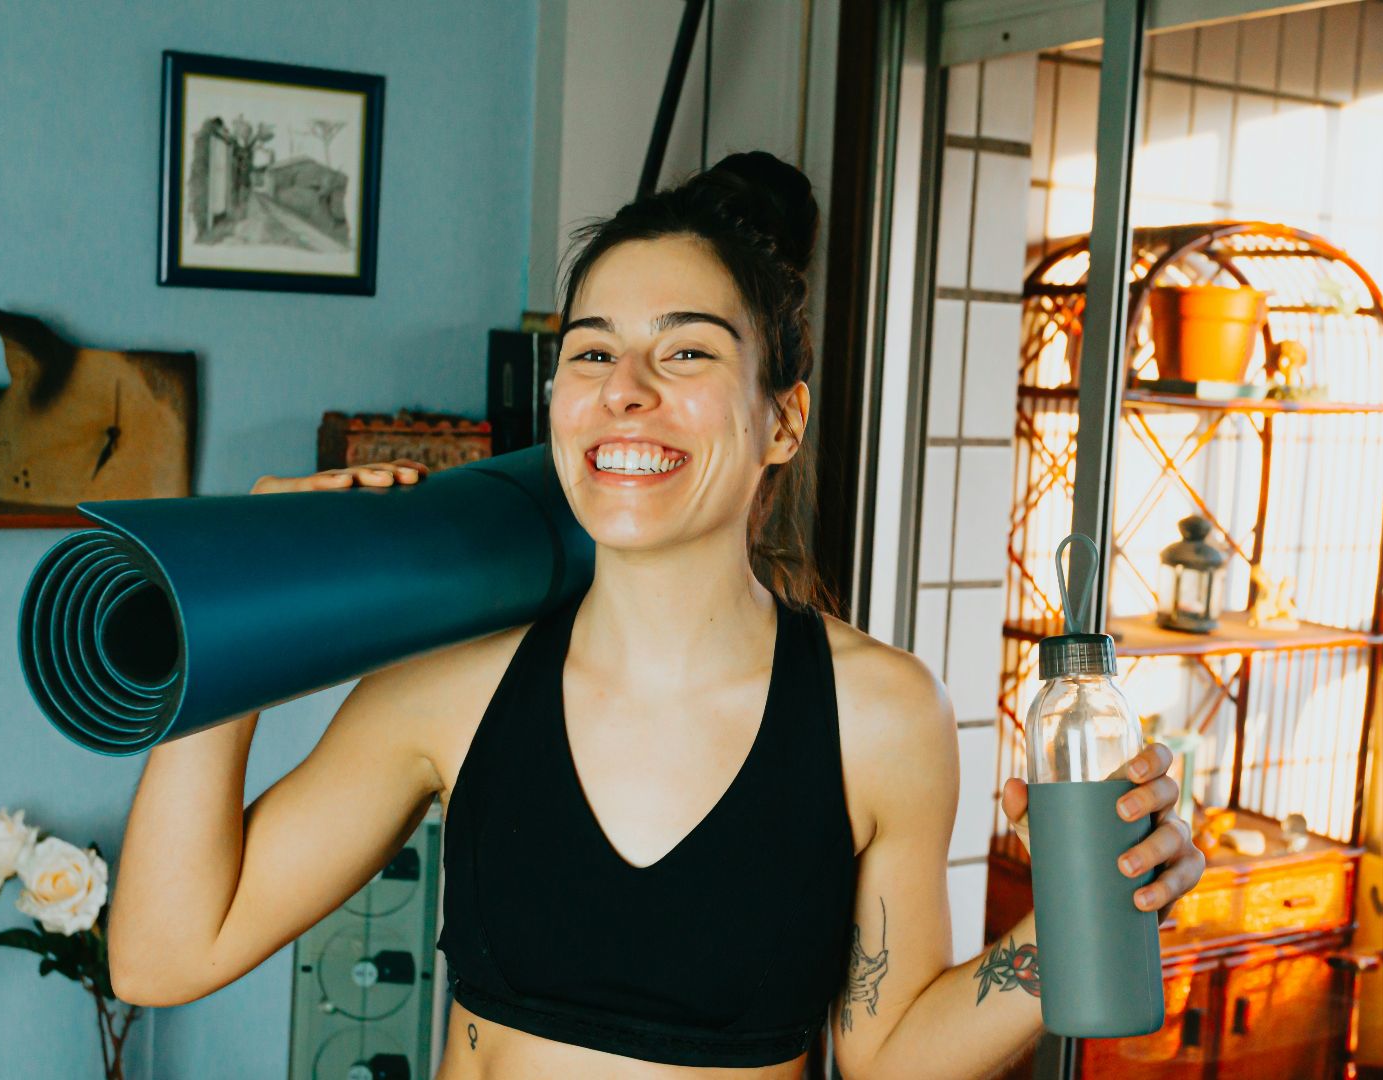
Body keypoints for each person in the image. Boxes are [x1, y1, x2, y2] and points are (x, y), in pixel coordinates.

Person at [108, 150, 1205, 1079]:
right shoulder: (449, 690)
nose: (624, 388)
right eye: (591, 351)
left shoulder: (878, 715)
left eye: (686, 352)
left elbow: (889, 1057)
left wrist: (1082, 918)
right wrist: (231, 607)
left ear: (783, 422)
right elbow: (161, 957)